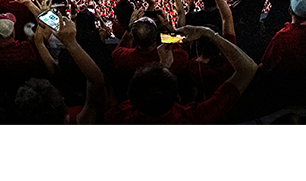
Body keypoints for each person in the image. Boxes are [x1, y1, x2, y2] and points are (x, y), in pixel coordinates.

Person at [104, 25, 258, 124]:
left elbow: (101, 80)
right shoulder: (197, 118)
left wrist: (162, 66)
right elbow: (249, 68)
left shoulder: (118, 117)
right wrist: (210, 34)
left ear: (130, 100)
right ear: (177, 99)